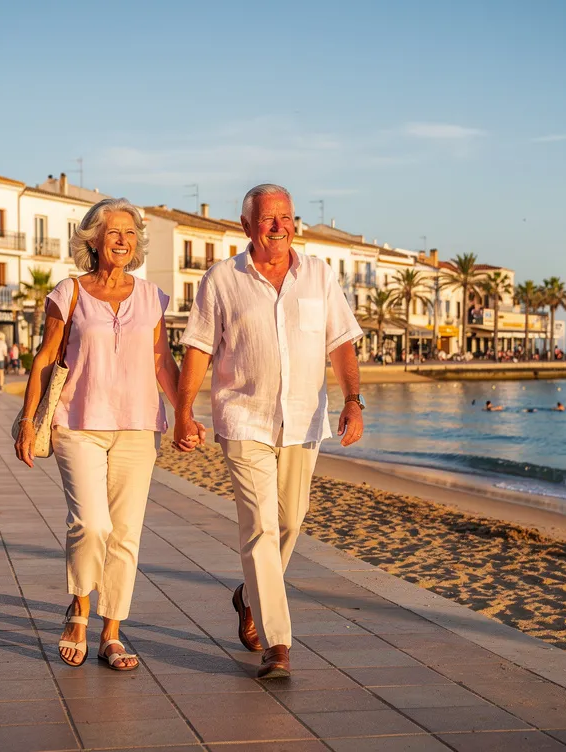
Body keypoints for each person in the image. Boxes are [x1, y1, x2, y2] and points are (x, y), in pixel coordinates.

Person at [176, 184, 365, 680]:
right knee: (259, 526)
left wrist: (352, 400)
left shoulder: (320, 276)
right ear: (247, 227)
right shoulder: (221, 279)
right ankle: (277, 643)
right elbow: (197, 348)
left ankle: (247, 594)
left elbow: (342, 343)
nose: (279, 225)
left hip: (303, 420)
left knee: (291, 521)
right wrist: (183, 411)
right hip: (243, 418)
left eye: (285, 217)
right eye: (268, 218)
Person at [15, 198, 181, 673]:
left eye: (130, 233)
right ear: (93, 240)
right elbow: (46, 357)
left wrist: (184, 413)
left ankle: (111, 630)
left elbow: (161, 362)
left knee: (126, 533)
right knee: (92, 524)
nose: (123, 241)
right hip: (77, 423)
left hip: (138, 425)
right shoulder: (69, 292)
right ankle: (79, 611)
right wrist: (28, 419)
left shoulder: (151, 297)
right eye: (113, 233)